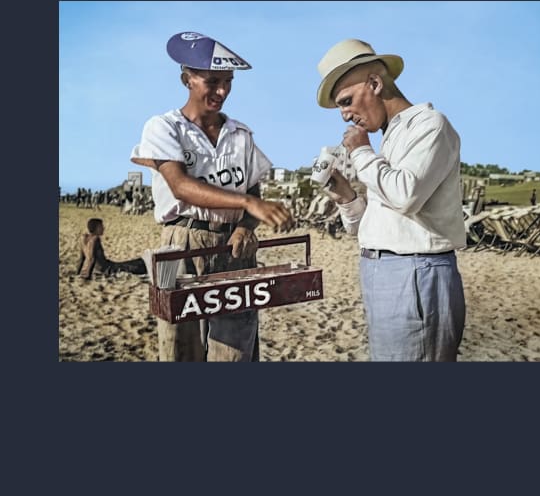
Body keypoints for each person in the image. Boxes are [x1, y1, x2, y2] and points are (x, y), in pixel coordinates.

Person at [130, 31, 293, 362]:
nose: (222, 91)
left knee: (234, 349)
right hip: (182, 243)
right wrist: (249, 204)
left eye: (228, 82)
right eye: (213, 81)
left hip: (233, 246)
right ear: (187, 79)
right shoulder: (164, 127)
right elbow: (179, 185)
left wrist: (247, 226)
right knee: (180, 348)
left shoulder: (240, 134)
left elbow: (253, 190)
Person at [314, 38, 466, 361]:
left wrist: (361, 151)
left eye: (346, 101)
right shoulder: (391, 136)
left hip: (416, 271)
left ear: (374, 83)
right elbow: (377, 225)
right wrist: (346, 197)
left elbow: (405, 195)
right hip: (387, 272)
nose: (344, 115)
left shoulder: (429, 125)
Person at [77, 218, 147, 280]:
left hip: (104, 266)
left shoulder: (84, 238)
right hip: (106, 268)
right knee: (136, 266)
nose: (103, 228)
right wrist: (88, 275)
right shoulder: (95, 239)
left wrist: (77, 272)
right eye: (101, 226)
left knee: (133, 263)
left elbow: (82, 258)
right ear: (96, 228)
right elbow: (92, 258)